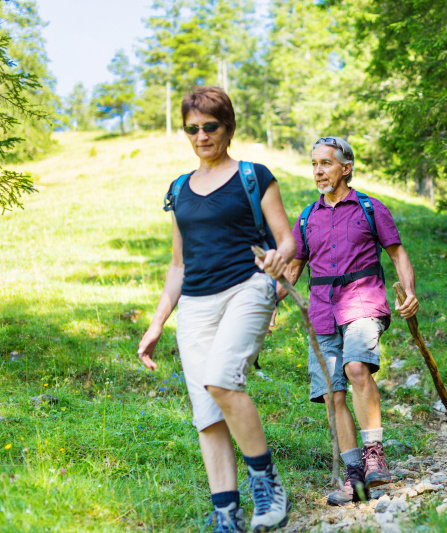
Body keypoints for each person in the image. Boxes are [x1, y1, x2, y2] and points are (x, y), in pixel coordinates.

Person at [137, 86, 295, 533]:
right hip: (195, 306)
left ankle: (266, 484)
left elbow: (286, 238)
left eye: (210, 126)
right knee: (207, 413)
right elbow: (177, 265)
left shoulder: (254, 175)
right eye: (193, 129)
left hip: (247, 287)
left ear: (227, 127)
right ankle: (227, 511)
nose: (201, 136)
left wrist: (278, 258)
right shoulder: (179, 190)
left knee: (223, 380)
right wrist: (156, 323)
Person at [258, 136, 418, 506]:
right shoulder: (307, 217)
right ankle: (354, 477)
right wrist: (268, 305)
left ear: (345, 168)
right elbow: (294, 269)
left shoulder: (368, 208)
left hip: (363, 301)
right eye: (314, 164)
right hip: (322, 313)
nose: (318, 171)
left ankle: (375, 453)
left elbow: (397, 254)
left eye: (325, 163)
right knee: (332, 395)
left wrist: (409, 292)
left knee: (357, 367)